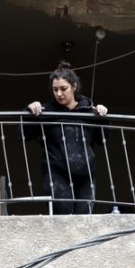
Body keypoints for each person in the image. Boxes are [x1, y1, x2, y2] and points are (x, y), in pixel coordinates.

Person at [24, 61, 108, 215]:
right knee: (62, 216)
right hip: (56, 172)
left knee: (84, 219)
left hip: (86, 174)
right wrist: (29, 112)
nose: (59, 94)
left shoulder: (88, 111)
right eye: (55, 89)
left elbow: (102, 139)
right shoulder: (47, 111)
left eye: (63, 89)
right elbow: (25, 135)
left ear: (74, 87)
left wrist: (102, 116)